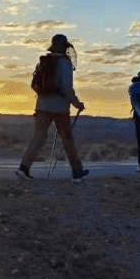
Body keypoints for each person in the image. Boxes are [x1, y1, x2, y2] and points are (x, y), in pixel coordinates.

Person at [17, 34, 89, 182]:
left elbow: (35, 85)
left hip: (42, 106)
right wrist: (76, 103)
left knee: (38, 137)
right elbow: (66, 88)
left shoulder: (43, 62)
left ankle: (23, 168)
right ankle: (77, 172)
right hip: (60, 108)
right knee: (67, 140)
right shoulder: (65, 63)